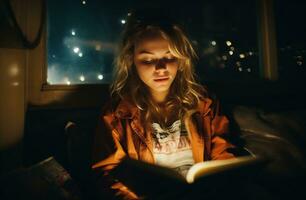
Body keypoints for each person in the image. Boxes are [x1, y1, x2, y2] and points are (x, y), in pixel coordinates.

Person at [91, 9, 236, 200]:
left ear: (181, 60)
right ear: (131, 60)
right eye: (148, 59)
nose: (161, 68)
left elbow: (224, 155)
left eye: (169, 57)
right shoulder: (116, 116)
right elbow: (109, 176)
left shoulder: (204, 104)